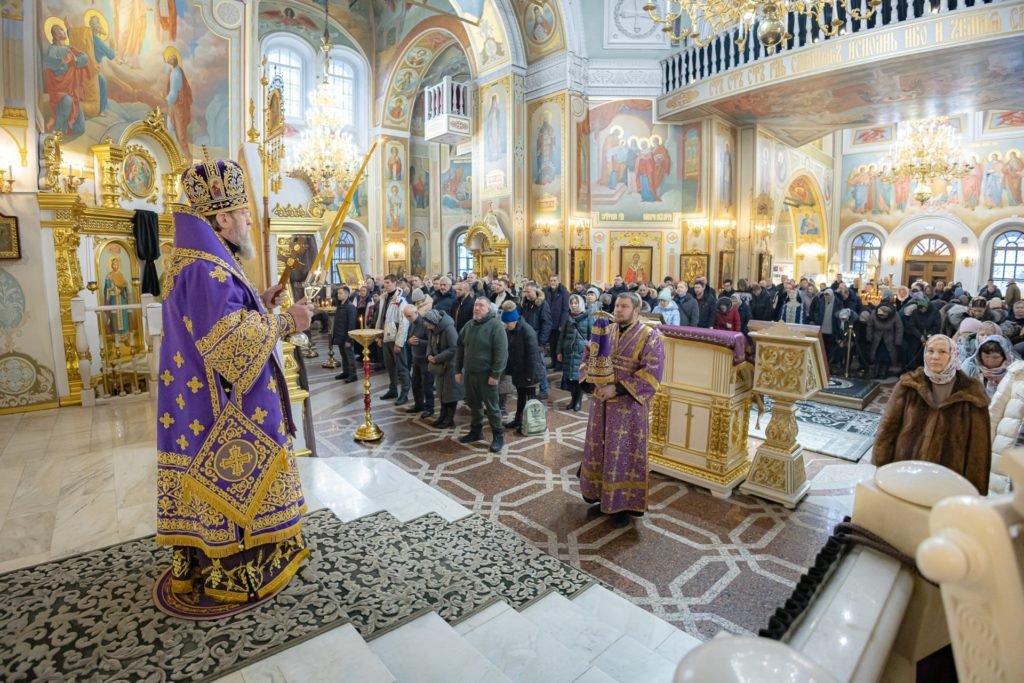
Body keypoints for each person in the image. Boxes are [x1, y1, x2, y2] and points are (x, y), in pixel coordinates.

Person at [155, 156, 313, 611]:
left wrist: (259, 302)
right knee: (234, 484)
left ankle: (201, 561)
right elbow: (228, 347)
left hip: (195, 405)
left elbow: (215, 322)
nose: (248, 220)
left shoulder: (197, 260)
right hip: (224, 411)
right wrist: (288, 320)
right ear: (221, 219)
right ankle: (242, 569)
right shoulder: (207, 268)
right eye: (243, 213)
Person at [578, 292, 665, 528]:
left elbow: (652, 373)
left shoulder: (650, 336)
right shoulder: (606, 329)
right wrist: (592, 379)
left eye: (624, 306)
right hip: (601, 403)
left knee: (624, 454)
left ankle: (623, 504)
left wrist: (616, 389)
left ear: (636, 310)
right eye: (617, 305)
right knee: (600, 448)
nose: (618, 310)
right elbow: (589, 354)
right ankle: (599, 494)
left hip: (628, 408)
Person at [873, 335, 991, 494]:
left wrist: (974, 489)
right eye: (930, 351)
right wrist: (881, 464)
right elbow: (888, 427)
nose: (935, 356)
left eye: (942, 352)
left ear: (953, 355)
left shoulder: (971, 393)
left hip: (948, 478)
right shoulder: (909, 385)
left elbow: (979, 446)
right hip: (905, 469)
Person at [455, 297, 508, 453]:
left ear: (488, 309)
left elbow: (501, 354)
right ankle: (476, 431)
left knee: (492, 407)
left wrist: (495, 375)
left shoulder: (496, 326)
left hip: (487, 375)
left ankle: (498, 436)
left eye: (481, 306)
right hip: (470, 373)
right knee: (474, 405)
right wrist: (457, 370)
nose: (477, 308)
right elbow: (460, 348)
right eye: (475, 305)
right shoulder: (469, 325)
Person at [500, 301, 539, 433]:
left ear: (514, 320)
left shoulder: (527, 331)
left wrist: (529, 376)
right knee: (521, 397)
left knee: (530, 400)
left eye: (508, 323)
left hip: (529, 372)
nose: (506, 326)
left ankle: (531, 424)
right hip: (518, 371)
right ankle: (518, 420)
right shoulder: (510, 331)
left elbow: (533, 356)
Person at [375, 274, 410, 405]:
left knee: (401, 368)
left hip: (396, 339)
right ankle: (393, 389)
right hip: (385, 337)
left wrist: (399, 343)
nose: (385, 285)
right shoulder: (384, 298)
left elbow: (404, 323)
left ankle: (404, 393)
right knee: (390, 367)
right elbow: (381, 318)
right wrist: (379, 336)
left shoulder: (401, 300)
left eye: (388, 282)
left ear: (395, 283)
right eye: (384, 282)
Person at [425, 309, 462, 429]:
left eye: (428, 323)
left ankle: (449, 419)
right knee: (442, 393)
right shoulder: (432, 329)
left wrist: (437, 358)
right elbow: (430, 344)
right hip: (440, 366)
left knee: (450, 393)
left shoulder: (449, 329)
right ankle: (442, 416)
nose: (426, 326)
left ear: (434, 322)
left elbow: (454, 348)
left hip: (451, 366)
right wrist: (429, 355)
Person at [559, 294, 591, 412]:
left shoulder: (588, 317)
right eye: (572, 303)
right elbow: (562, 336)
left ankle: (578, 401)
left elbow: (591, 336)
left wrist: (589, 350)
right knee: (570, 378)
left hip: (582, 352)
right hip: (569, 351)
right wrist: (559, 351)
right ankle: (573, 399)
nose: (573, 305)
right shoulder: (568, 317)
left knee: (579, 378)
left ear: (580, 303)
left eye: (576, 303)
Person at [520, 283, 552, 400]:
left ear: (535, 291)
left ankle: (544, 390)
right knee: (526, 365)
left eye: (528, 292)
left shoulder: (542, 304)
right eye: (525, 292)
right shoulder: (525, 303)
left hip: (537, 339)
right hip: (525, 338)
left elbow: (547, 324)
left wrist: (541, 343)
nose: (526, 294)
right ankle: (528, 388)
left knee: (540, 366)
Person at [403, 303, 435, 418]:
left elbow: (432, 342)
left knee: (427, 385)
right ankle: (419, 404)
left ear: (416, 312)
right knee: (415, 383)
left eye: (409, 316)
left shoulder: (425, 323)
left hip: (425, 359)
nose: (408, 318)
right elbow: (409, 339)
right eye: (406, 316)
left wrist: (418, 342)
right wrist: (409, 342)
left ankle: (430, 408)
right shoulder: (412, 323)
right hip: (416, 358)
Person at [331, 285, 358, 383]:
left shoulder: (350, 307)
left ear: (346, 294)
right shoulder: (340, 305)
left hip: (347, 337)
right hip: (340, 335)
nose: (338, 295)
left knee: (350, 356)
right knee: (343, 356)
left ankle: (353, 374)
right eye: (338, 293)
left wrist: (349, 339)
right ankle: (346, 372)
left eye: (340, 293)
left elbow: (351, 324)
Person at [545, 275, 570, 371]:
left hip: (559, 322)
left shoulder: (564, 292)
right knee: (552, 343)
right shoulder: (547, 291)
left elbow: (565, 310)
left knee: (559, 345)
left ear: (558, 281)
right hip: (549, 322)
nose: (552, 282)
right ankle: (553, 362)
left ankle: (559, 364)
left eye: (554, 280)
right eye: (551, 280)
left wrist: (562, 324)